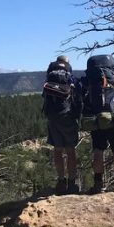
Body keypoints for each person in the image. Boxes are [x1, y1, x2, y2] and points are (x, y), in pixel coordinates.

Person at [81, 54, 114, 193]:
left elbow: (84, 97)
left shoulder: (89, 79)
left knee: (98, 151)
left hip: (97, 119)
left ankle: (98, 184)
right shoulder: (112, 76)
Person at [42, 55, 81, 194]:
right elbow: (78, 98)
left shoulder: (49, 77)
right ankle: (72, 183)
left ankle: (60, 181)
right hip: (68, 116)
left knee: (57, 150)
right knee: (70, 150)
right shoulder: (70, 78)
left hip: (53, 117)